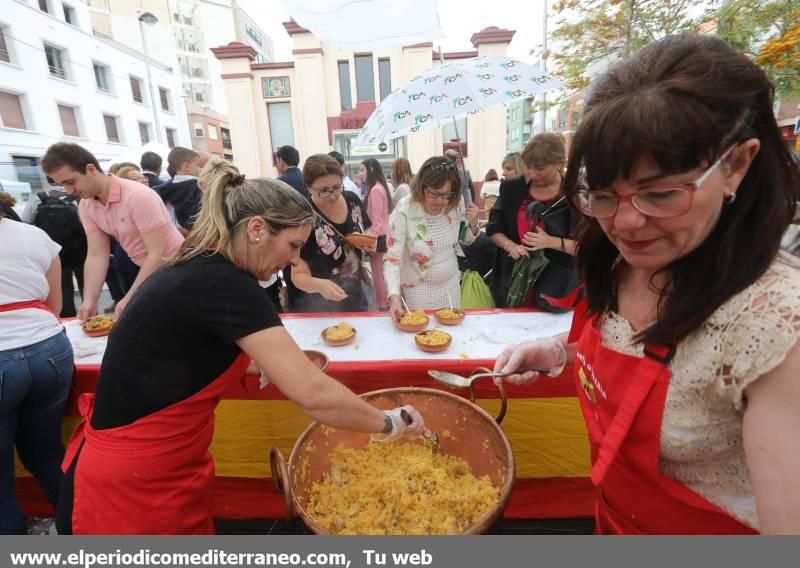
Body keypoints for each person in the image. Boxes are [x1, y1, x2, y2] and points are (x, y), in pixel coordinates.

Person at [494, 34, 800, 535]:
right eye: (604, 196)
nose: (627, 224)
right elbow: (619, 346)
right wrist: (557, 352)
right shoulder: (619, 260)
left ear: (736, 165)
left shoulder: (774, 326)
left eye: (659, 194)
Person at [55, 161, 425, 535]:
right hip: (133, 481)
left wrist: (267, 363)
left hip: (152, 463)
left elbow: (188, 354)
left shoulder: (202, 265)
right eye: (293, 246)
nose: (292, 260)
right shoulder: (227, 284)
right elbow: (313, 395)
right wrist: (391, 422)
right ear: (257, 229)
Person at [41, 143, 184, 321]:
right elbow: (96, 255)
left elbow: (158, 254)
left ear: (91, 169)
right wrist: (89, 300)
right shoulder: (87, 204)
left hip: (180, 271)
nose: (69, 191)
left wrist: (131, 297)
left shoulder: (138, 196)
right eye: (62, 185)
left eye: (71, 182)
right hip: (147, 270)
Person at [0, 205, 73, 534]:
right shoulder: (34, 235)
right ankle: (83, 534)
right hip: (48, 347)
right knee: (46, 452)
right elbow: (55, 306)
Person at [487, 133, 580, 310]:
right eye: (528, 167)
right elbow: (494, 229)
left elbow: (588, 247)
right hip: (513, 282)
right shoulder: (512, 188)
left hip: (556, 288)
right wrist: (511, 246)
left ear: (559, 163)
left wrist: (550, 242)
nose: (532, 173)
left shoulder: (575, 193)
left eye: (540, 168)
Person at [386, 157, 480, 318]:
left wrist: (473, 222)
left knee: (450, 333)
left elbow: (465, 239)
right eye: (433, 193)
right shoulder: (405, 209)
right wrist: (394, 298)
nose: (439, 201)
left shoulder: (454, 204)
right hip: (419, 291)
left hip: (450, 286)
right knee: (424, 335)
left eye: (445, 195)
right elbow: (392, 259)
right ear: (422, 186)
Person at [288, 154, 374, 313]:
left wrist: (368, 244)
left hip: (356, 293)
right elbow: (298, 275)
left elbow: (366, 232)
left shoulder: (352, 200)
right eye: (324, 191)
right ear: (308, 187)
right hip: (321, 303)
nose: (333, 195)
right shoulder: (303, 218)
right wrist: (320, 286)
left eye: (336, 187)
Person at [359, 158, 393, 311]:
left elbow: (377, 221)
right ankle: (384, 304)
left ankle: (383, 305)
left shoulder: (376, 190)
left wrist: (369, 241)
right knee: (380, 274)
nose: (360, 174)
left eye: (362, 170)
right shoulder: (378, 188)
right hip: (381, 237)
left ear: (370, 170)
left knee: (379, 275)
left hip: (378, 238)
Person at [155, 147, 204, 236]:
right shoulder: (198, 185)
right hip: (197, 228)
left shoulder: (167, 186)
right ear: (186, 166)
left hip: (179, 228)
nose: (201, 169)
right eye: (198, 165)